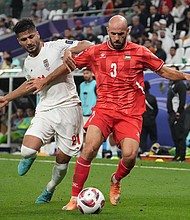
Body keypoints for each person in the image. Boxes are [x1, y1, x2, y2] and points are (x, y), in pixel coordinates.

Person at [26, 15, 190, 210]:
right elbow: (68, 66)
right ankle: (74, 197)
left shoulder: (140, 52)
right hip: (104, 109)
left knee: (129, 156)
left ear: (127, 32)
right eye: (114, 34)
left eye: (121, 34)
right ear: (107, 32)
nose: (118, 38)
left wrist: (186, 76)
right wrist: (47, 78)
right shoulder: (96, 52)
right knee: (89, 149)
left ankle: (116, 179)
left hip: (130, 113)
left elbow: (163, 71)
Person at [0, 18, 93, 204]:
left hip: (69, 108)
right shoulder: (27, 63)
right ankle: (30, 157)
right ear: (18, 41)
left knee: (62, 159)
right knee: (26, 150)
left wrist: (68, 51)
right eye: (24, 39)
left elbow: (88, 44)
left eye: (31, 37)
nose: (29, 42)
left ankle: (49, 188)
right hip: (45, 109)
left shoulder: (57, 46)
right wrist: (6, 98)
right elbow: (30, 85)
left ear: (38, 34)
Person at [167, 66, 187, 162]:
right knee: (174, 136)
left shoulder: (181, 84)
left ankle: (182, 156)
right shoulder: (171, 84)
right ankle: (177, 155)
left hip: (178, 114)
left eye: (174, 71)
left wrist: (179, 111)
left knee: (180, 135)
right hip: (171, 114)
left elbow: (182, 99)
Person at [139, 81, 158, 154]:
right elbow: (156, 110)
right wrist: (152, 117)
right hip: (151, 121)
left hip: (142, 121)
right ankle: (153, 153)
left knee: (142, 138)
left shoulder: (139, 98)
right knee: (153, 138)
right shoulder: (152, 98)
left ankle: (142, 153)